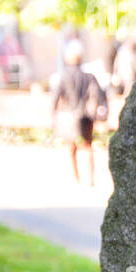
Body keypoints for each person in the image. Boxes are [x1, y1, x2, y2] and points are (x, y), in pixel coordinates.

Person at [52, 39, 107, 186]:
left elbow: (56, 97)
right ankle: (91, 179)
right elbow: (100, 95)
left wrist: (53, 115)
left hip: (69, 116)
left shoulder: (64, 76)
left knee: (72, 148)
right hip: (86, 116)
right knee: (88, 146)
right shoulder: (89, 77)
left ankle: (76, 178)